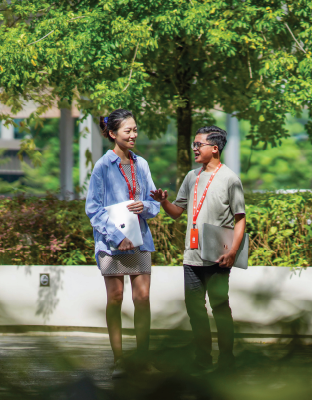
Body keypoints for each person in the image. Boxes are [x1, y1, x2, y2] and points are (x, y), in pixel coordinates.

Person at [150, 125, 246, 372]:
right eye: (193, 144)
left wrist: (233, 251)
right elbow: (176, 213)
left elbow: (240, 219)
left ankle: (227, 359)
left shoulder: (230, 179)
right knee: (195, 310)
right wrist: (163, 202)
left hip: (218, 257)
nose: (194, 148)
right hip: (191, 257)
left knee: (220, 308)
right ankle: (203, 358)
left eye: (198, 145)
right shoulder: (192, 177)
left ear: (215, 148)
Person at [85, 109, 160, 378]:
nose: (133, 135)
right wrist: (118, 237)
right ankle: (118, 360)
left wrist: (147, 206)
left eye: (135, 130)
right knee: (115, 299)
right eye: (128, 131)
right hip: (111, 243)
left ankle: (142, 358)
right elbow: (93, 209)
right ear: (113, 134)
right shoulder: (103, 166)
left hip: (139, 241)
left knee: (143, 299)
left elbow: (154, 203)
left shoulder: (142, 165)